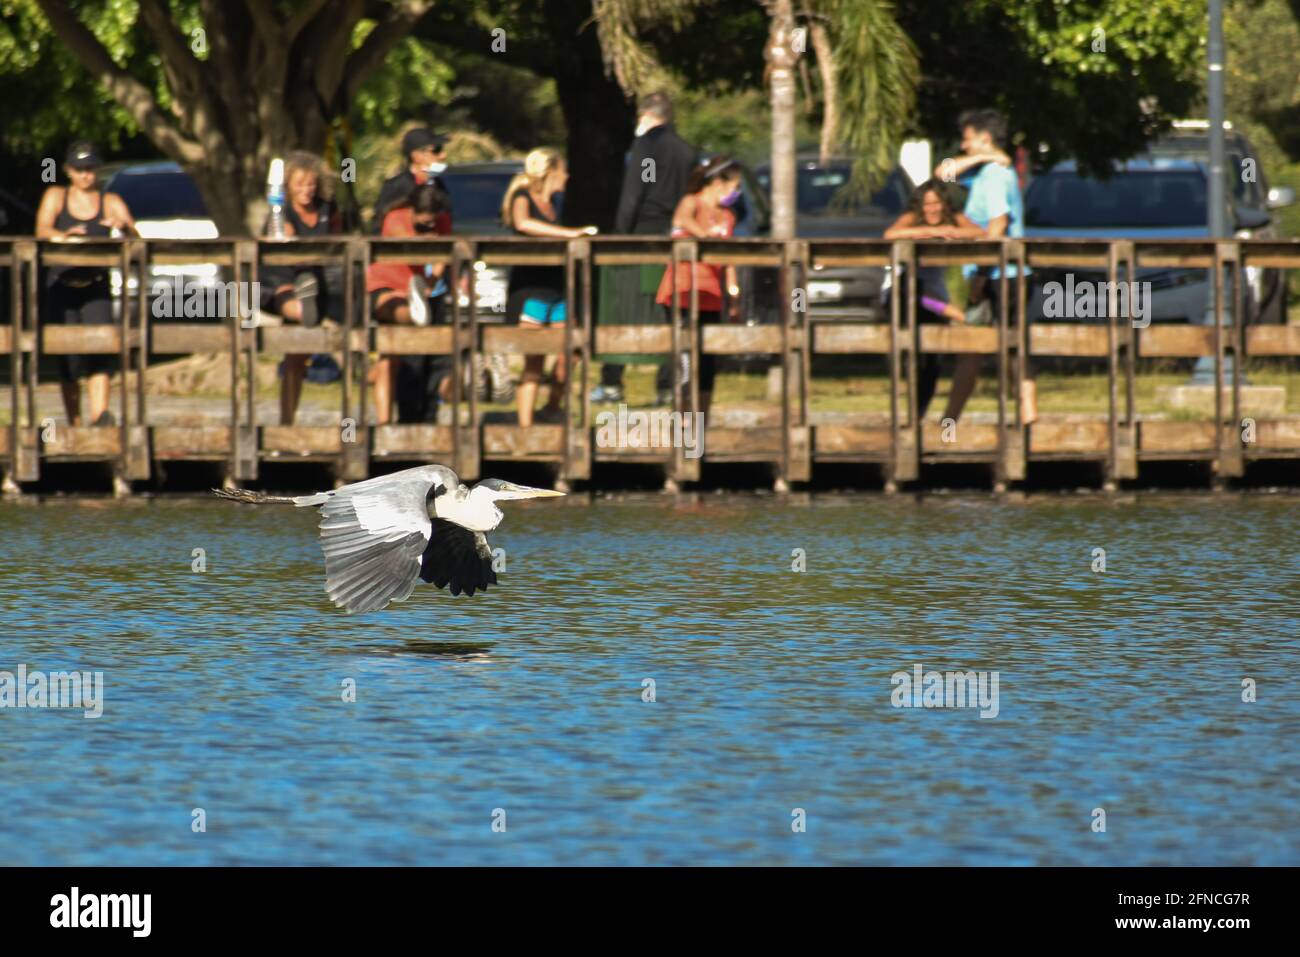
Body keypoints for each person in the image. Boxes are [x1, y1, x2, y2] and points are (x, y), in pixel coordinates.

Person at [594, 92, 698, 405]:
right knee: (670, 311)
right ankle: (667, 387)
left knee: (621, 308)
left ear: (646, 115)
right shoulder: (686, 151)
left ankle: (613, 383)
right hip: (674, 237)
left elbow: (635, 191)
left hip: (641, 234)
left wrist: (621, 235)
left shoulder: (647, 147)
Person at [934, 108, 1036, 424]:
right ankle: (950, 420)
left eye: (968, 140)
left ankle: (1026, 414)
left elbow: (997, 226)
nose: (963, 147)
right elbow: (941, 173)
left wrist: (979, 273)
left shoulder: (994, 177)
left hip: (1000, 275)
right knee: (976, 349)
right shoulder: (983, 171)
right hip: (990, 272)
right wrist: (984, 157)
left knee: (1007, 347)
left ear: (984, 138)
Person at [34, 141, 136, 427]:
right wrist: (64, 235)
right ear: (68, 171)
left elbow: (136, 239)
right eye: (79, 169)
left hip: (96, 284)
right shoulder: (56, 196)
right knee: (68, 357)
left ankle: (99, 419)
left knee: (100, 352)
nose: (85, 175)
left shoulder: (111, 201)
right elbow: (41, 229)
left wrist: (124, 227)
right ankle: (74, 422)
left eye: (90, 169)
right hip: (62, 284)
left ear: (98, 170)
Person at [502, 148, 598, 427]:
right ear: (550, 170)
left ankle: (552, 406)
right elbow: (523, 223)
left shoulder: (553, 205)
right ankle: (526, 426)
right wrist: (570, 233)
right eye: (563, 170)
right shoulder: (523, 196)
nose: (567, 176)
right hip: (531, 289)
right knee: (534, 360)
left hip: (557, 287)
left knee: (572, 352)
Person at [883, 180, 987, 420]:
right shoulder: (911, 218)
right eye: (927, 204)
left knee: (933, 363)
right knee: (912, 357)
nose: (932, 210)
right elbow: (890, 234)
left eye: (936, 204)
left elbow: (980, 232)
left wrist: (952, 232)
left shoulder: (955, 218)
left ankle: (918, 417)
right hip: (903, 294)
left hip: (933, 297)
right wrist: (929, 233)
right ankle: (906, 415)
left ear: (945, 204)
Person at [654, 155, 745, 417]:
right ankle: (681, 422)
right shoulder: (691, 202)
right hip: (681, 292)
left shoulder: (728, 216)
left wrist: (734, 296)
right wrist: (707, 237)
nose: (735, 193)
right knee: (684, 360)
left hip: (712, 295)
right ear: (717, 182)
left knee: (707, 363)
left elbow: (728, 261)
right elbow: (681, 221)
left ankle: (699, 425)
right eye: (734, 186)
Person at [261, 151, 343, 425]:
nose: (306, 190)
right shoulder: (278, 210)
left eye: (311, 184)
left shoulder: (326, 210)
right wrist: (281, 235)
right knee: (294, 353)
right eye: (300, 184)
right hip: (282, 279)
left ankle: (287, 420)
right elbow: (267, 242)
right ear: (288, 185)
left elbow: (340, 241)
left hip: (317, 283)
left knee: (297, 358)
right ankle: (286, 420)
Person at [365, 182, 453, 425]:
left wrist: (431, 282)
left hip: (417, 288)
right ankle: (384, 422)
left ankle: (398, 420)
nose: (429, 224)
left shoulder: (442, 221)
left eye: (432, 221)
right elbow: (408, 245)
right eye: (423, 220)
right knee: (387, 358)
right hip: (385, 283)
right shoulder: (395, 218)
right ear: (412, 209)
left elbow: (442, 256)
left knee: (391, 360)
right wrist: (428, 240)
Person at [372, 127, 451, 230]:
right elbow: (379, 226)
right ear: (416, 156)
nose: (443, 155)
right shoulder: (395, 187)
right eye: (436, 150)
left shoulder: (439, 186)